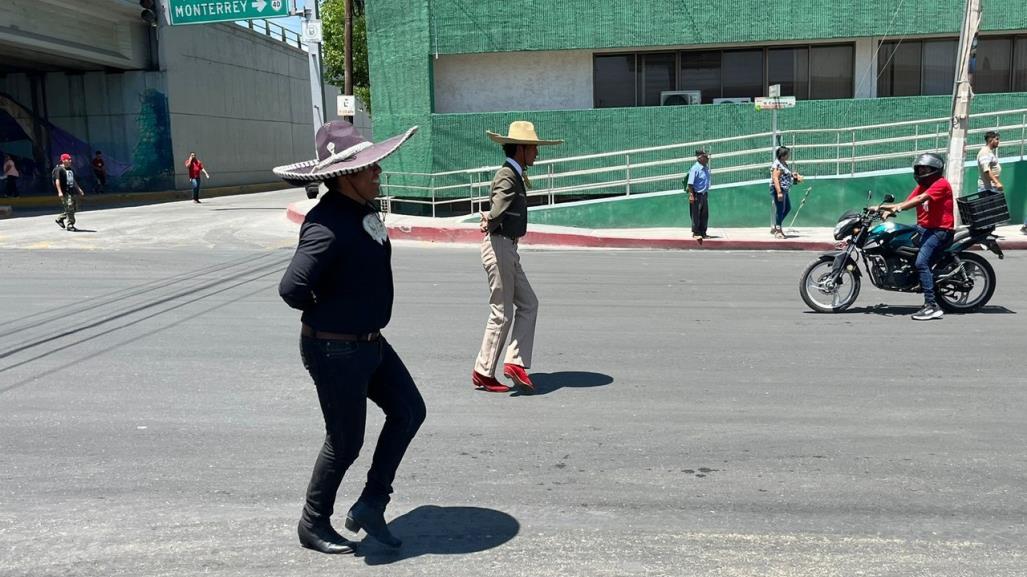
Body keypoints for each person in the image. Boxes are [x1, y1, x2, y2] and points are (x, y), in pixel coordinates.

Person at [274, 120, 425, 555]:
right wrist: (333, 309)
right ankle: (313, 522)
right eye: (370, 168)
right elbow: (292, 288)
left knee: (409, 411)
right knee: (345, 441)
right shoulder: (326, 224)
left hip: (369, 341)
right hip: (334, 347)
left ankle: (372, 502)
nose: (378, 172)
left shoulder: (361, 212)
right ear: (344, 176)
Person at [473, 121, 563, 394]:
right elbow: (498, 204)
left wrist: (492, 218)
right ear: (521, 149)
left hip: (508, 247)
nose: (537, 153)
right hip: (499, 245)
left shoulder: (515, 174)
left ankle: (513, 362)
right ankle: (484, 371)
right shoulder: (507, 175)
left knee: (529, 304)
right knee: (502, 313)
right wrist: (490, 218)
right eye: (533, 149)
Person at [877, 153, 954, 321]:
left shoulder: (941, 184)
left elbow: (918, 200)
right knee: (895, 234)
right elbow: (906, 202)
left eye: (924, 168)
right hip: (924, 228)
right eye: (919, 168)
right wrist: (879, 208)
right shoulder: (923, 186)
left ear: (934, 170)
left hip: (940, 231)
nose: (921, 171)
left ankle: (931, 306)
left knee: (922, 262)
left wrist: (896, 209)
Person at [770, 146, 802, 239]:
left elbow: (785, 175)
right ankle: (778, 231)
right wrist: (779, 192)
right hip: (779, 189)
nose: (789, 155)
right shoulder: (778, 165)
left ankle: (776, 226)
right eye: (787, 154)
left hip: (785, 189)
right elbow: (775, 178)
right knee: (780, 210)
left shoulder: (783, 163)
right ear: (782, 155)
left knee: (787, 208)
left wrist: (793, 175)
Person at [53, 153, 85, 231]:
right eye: (68, 159)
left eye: (70, 159)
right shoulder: (59, 169)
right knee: (70, 207)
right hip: (65, 192)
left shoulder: (70, 169)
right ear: (63, 160)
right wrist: (59, 192)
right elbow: (57, 181)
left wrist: (79, 189)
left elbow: (73, 180)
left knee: (73, 208)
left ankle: (60, 219)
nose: (70, 161)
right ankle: (70, 225)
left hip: (71, 191)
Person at [686, 149, 711, 241]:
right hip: (696, 195)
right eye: (705, 157)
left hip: (704, 194)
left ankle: (703, 232)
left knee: (704, 215)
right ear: (700, 158)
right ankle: (696, 232)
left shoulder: (705, 168)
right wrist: (691, 195)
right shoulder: (695, 169)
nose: (707, 159)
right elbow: (690, 184)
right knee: (695, 214)